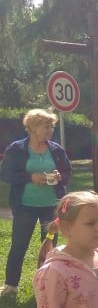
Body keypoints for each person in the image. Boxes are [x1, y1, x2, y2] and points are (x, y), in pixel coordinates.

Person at [1, 109, 72, 297]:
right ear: (32, 128)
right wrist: (30, 177)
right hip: (25, 206)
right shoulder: (17, 149)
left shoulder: (56, 150)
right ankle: (11, 285)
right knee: (19, 245)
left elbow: (67, 173)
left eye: (52, 126)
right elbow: (6, 174)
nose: (50, 130)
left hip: (51, 207)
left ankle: (46, 285)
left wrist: (59, 177)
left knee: (48, 247)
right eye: (46, 126)